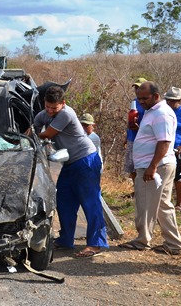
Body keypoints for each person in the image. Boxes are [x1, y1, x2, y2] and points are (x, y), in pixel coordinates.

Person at [33, 86, 108, 258]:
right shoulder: (43, 114)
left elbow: (47, 134)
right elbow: (34, 127)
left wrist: (36, 133)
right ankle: (66, 240)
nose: (50, 111)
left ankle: (96, 243)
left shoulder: (67, 113)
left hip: (86, 160)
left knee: (90, 202)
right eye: (47, 107)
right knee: (64, 200)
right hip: (69, 163)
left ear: (63, 103)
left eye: (54, 108)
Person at [119, 81, 181, 255]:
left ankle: (142, 240)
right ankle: (173, 244)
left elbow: (164, 142)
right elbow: (154, 136)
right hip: (159, 164)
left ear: (156, 96)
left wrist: (152, 166)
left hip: (156, 166)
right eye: (139, 98)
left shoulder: (161, 113)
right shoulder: (152, 111)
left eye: (145, 98)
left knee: (144, 203)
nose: (141, 101)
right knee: (162, 205)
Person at [164, 87, 181, 212]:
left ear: (179, 100)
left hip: (179, 149)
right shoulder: (163, 110)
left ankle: (179, 204)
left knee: (179, 177)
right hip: (164, 147)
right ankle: (164, 202)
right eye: (168, 100)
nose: (170, 102)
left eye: (173, 100)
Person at [124, 78, 147, 184]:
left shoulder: (148, 102)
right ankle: (136, 189)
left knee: (141, 166)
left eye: (140, 87)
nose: (137, 90)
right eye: (136, 88)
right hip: (131, 137)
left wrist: (139, 128)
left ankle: (143, 188)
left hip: (143, 138)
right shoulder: (134, 101)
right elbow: (131, 119)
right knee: (131, 165)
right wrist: (126, 137)